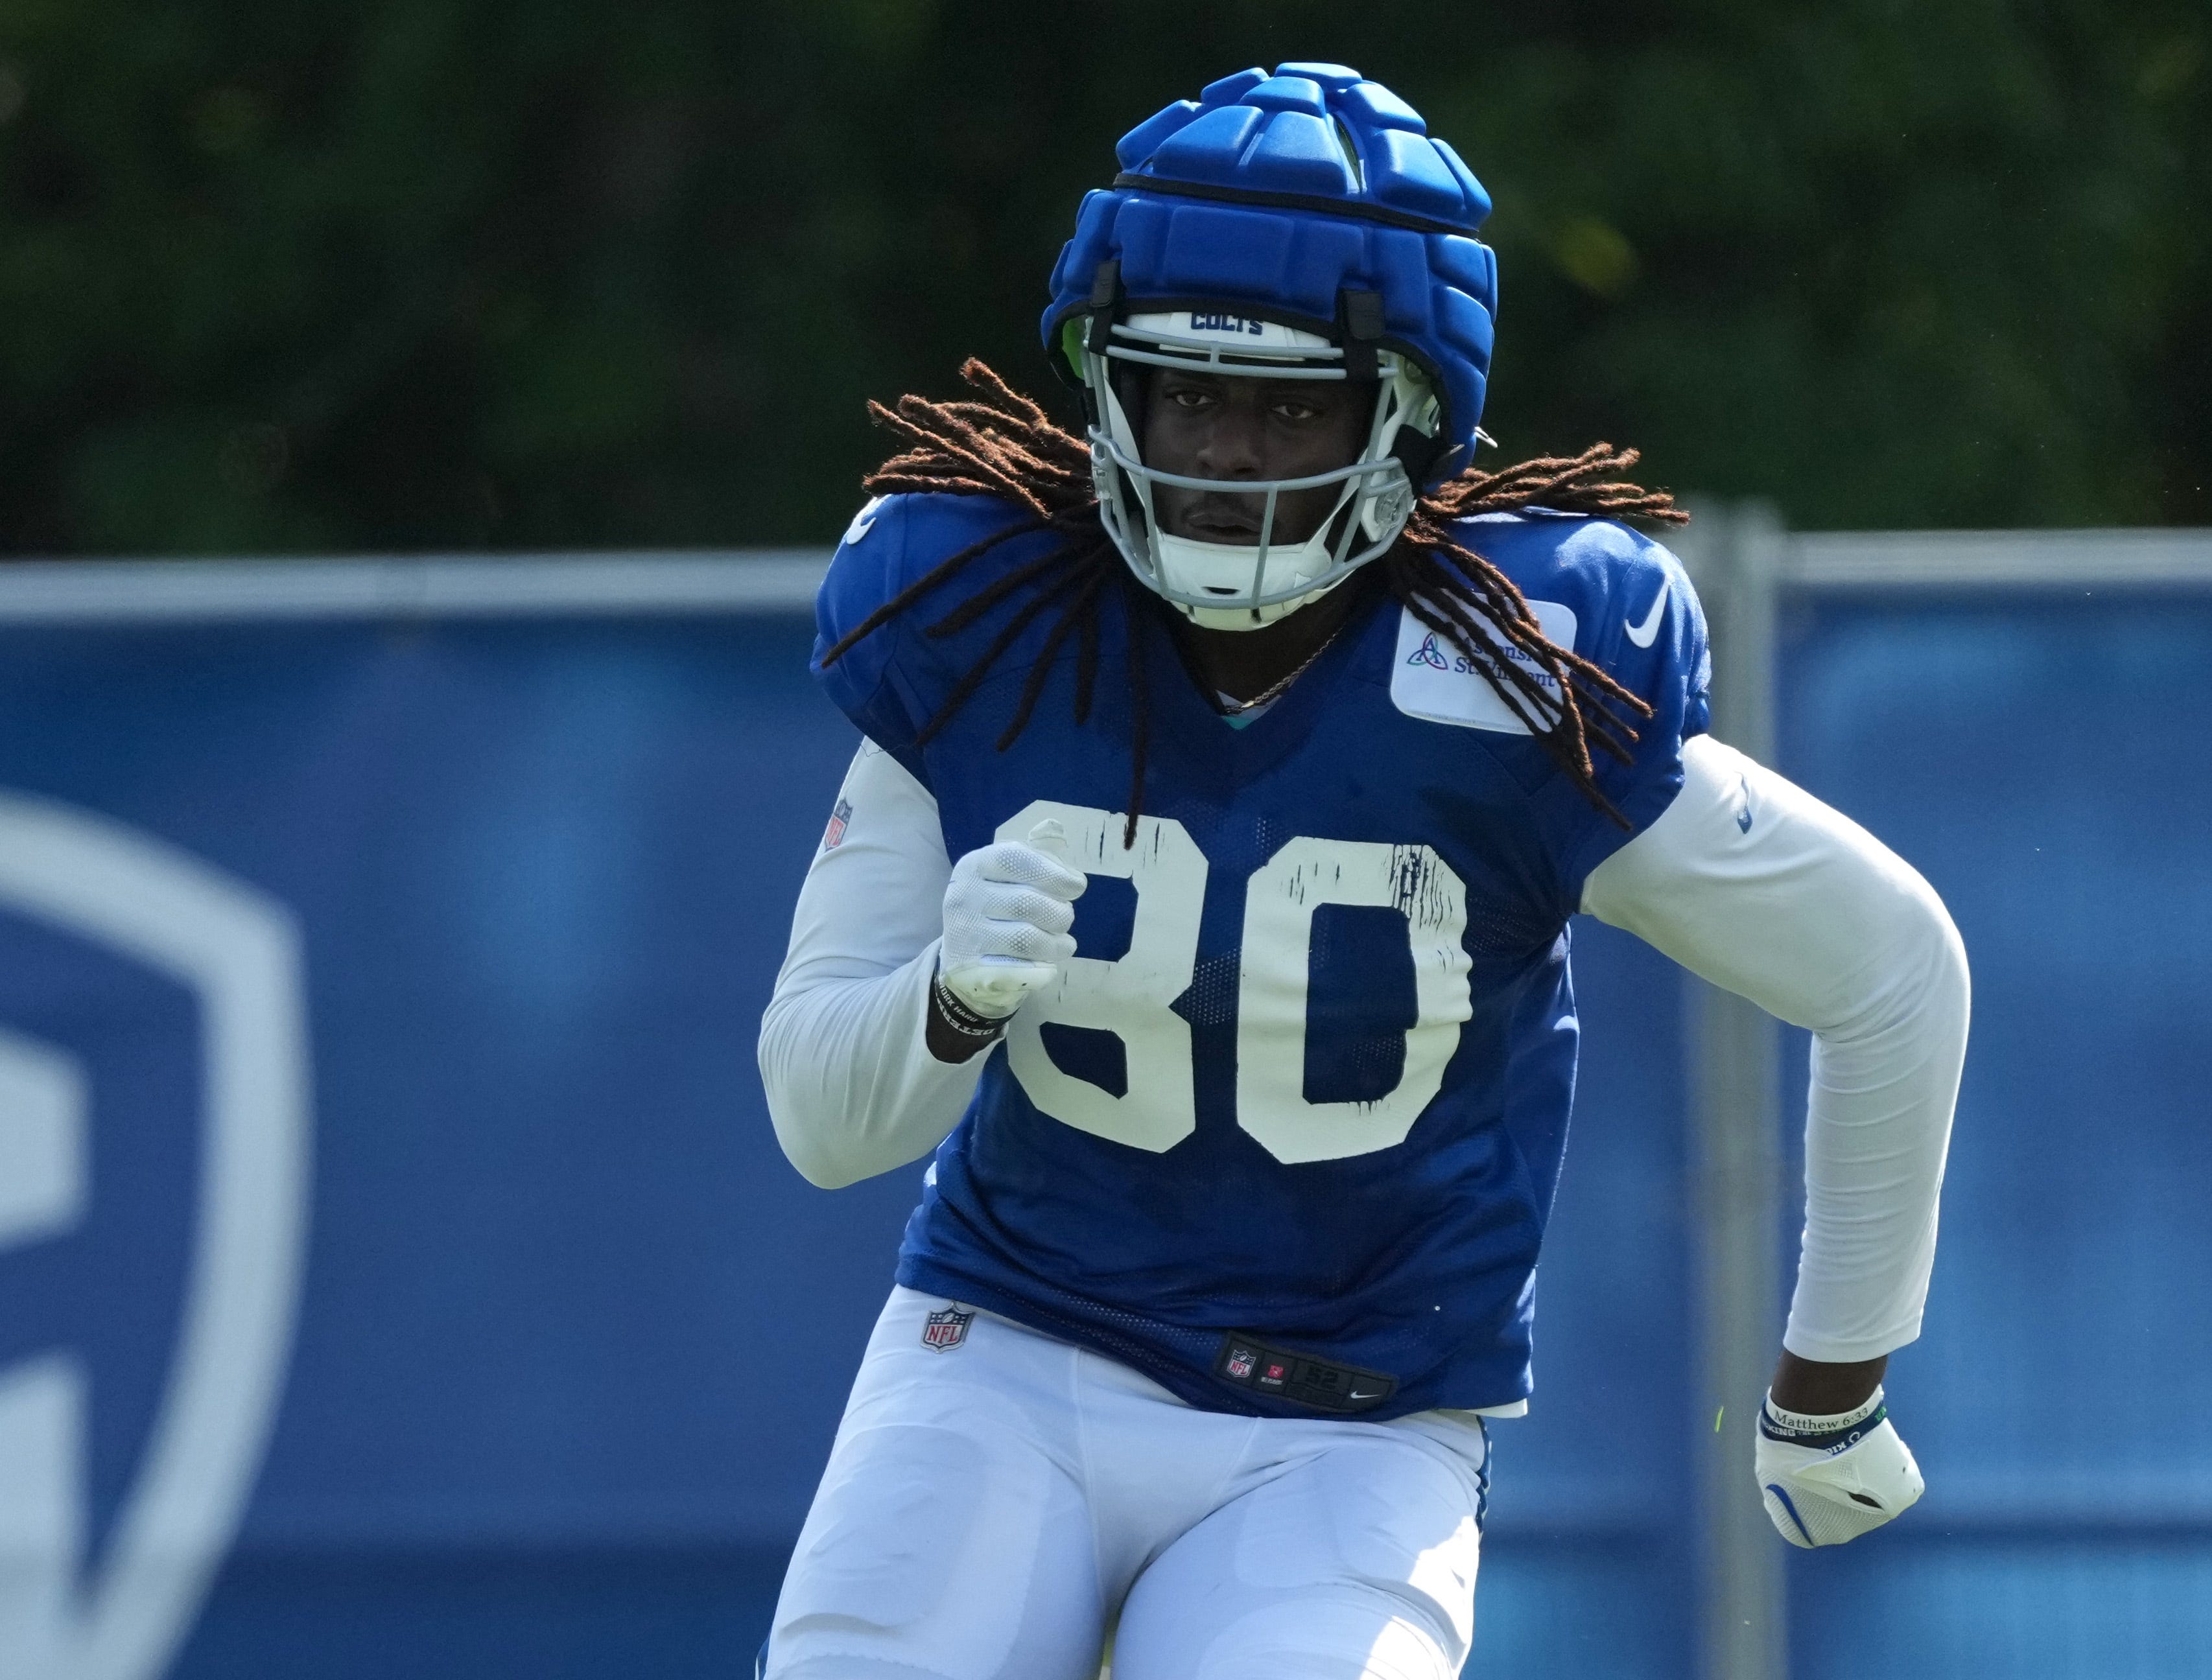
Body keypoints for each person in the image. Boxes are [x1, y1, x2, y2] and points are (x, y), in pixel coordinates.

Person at [757, 62, 1968, 1680]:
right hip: (1004, 1355)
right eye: (1185, 395)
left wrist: (1832, 1383)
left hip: (1351, 1425)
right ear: (1105, 390)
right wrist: (946, 1001)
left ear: (1406, 418)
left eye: (1291, 408)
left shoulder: (1526, 678)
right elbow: (821, 1124)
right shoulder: (981, 628)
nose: (1226, 456)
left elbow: (1888, 970)